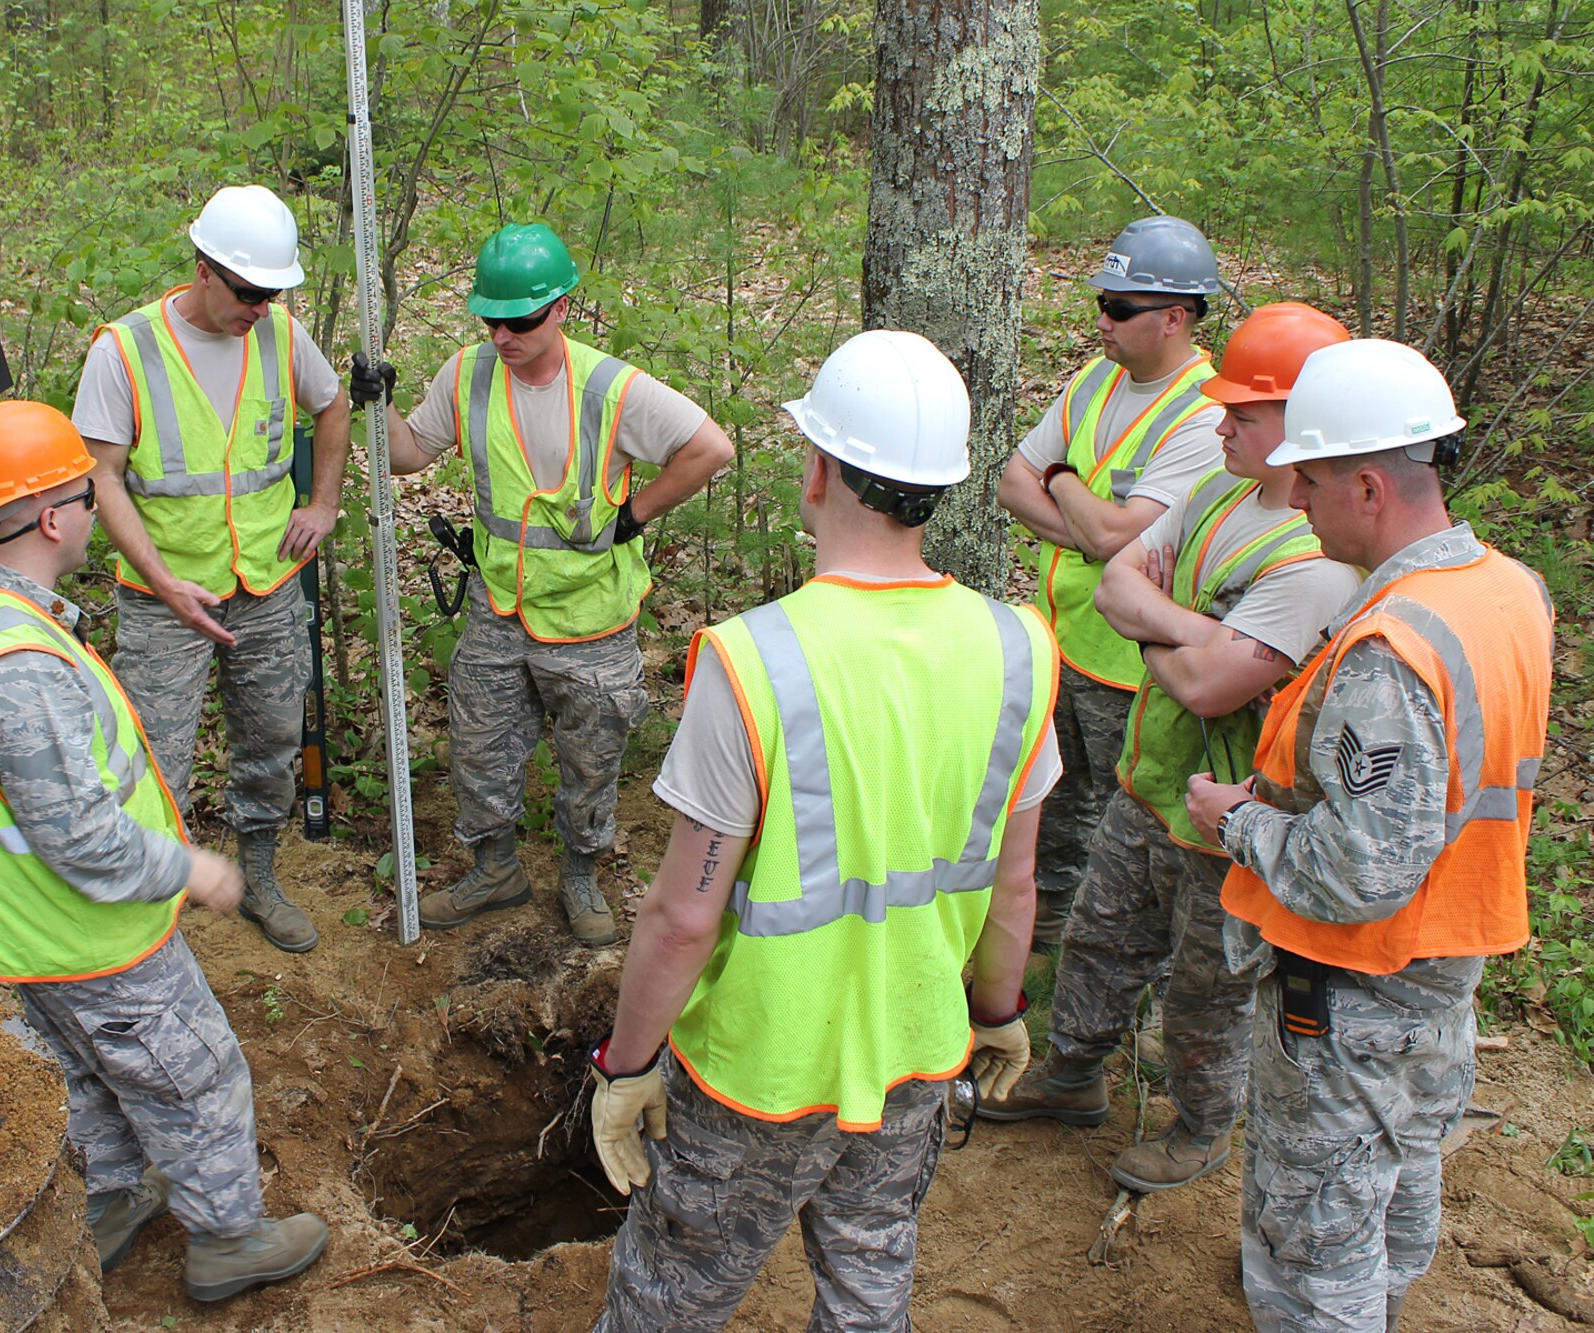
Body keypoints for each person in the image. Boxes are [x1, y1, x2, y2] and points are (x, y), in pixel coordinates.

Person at [586, 331, 1059, 1331]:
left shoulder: (752, 661)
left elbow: (679, 915)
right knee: (867, 1281)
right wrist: (999, 1005)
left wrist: (624, 1067)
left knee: (669, 1295)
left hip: (761, 1070)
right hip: (916, 1050)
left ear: (817, 467)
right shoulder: (1018, 650)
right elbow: (1013, 885)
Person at [1184, 340, 1552, 1332]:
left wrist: (1240, 822)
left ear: (1363, 485)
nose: (1292, 498)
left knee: (1314, 1246)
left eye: (1306, 478)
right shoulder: (1507, 590)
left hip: (1351, 988)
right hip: (1444, 969)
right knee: (1394, 1180)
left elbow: (1361, 868)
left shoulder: (1392, 647)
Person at [0, 401, 329, 1300]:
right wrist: (195, 868)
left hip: (24, 937)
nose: (101, 506)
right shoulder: (21, 664)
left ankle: (113, 1200)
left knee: (90, 1069)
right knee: (195, 1073)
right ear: (54, 517)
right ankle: (228, 1238)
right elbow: (86, 841)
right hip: (87, 936)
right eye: (88, 492)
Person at [978, 304, 1361, 1195]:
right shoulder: (1221, 488)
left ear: (1306, 422)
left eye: (1244, 415)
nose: (1219, 424)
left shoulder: (1317, 555)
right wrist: (1199, 632)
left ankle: (1200, 1128)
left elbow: (1207, 687)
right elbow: (1114, 583)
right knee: (1100, 940)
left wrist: (1178, 639)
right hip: (1149, 782)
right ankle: (1069, 1075)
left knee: (1202, 992)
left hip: (1232, 818)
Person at [367, 222, 732, 945]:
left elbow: (710, 447)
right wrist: (372, 409)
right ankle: (494, 869)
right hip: (498, 608)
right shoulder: (468, 373)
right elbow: (407, 457)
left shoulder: (609, 387)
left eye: (522, 321)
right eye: (491, 320)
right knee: (478, 748)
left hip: (592, 622)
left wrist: (636, 514)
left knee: (590, 763)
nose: (503, 336)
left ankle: (580, 874)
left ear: (562, 307)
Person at [72, 184, 348, 954]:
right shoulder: (123, 351)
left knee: (272, 738)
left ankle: (258, 873)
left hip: (265, 584)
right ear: (202, 269)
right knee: (151, 754)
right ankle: (154, 904)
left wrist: (321, 503)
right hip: (165, 602)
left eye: (272, 294)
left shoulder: (282, 337)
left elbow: (330, 406)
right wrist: (162, 580)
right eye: (247, 292)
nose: (259, 308)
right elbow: (100, 476)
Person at [996, 216, 1228, 945]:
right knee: (1053, 810)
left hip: (1133, 665)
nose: (1101, 319)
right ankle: (1046, 946)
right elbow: (1011, 482)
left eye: (1119, 308)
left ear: (1174, 317)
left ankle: (1130, 980)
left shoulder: (1204, 409)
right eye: (1102, 301)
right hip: (1058, 641)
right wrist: (1090, 518)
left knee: (1128, 825)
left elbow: (1113, 534)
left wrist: (1060, 478)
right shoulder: (1096, 378)